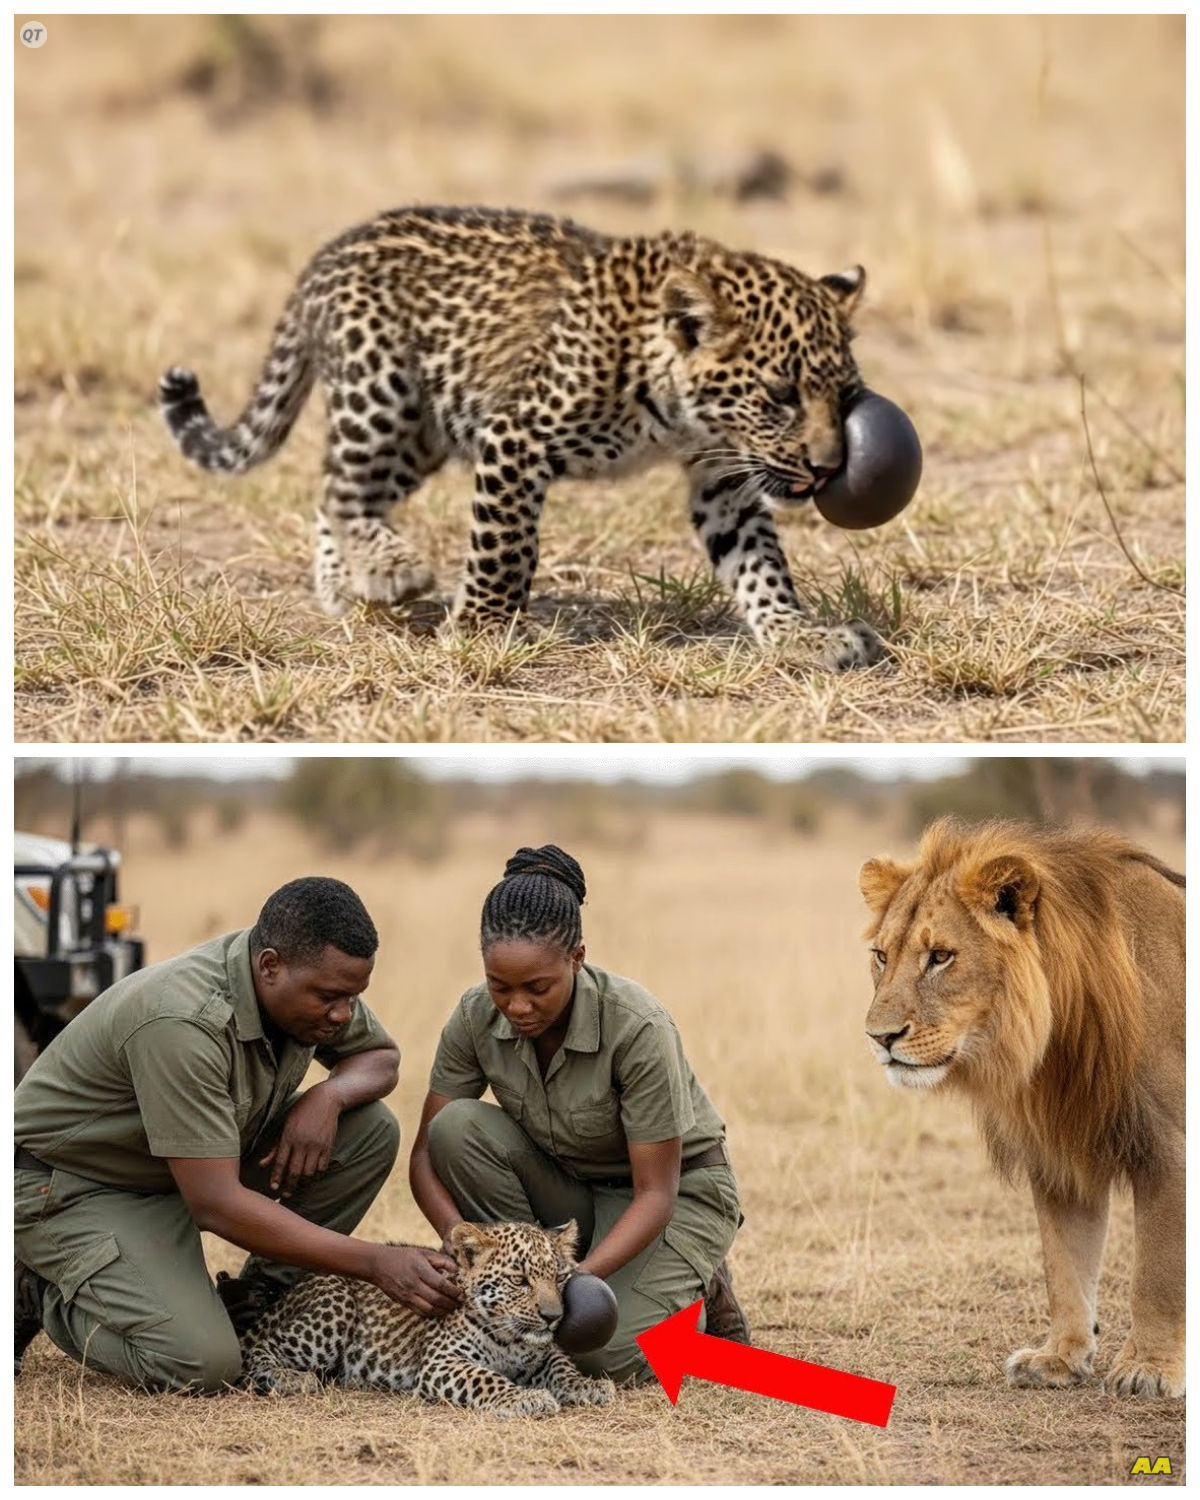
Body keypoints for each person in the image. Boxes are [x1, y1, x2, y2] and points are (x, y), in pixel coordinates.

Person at [14, 876, 461, 1393]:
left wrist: (328, 1096)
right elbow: (215, 1204)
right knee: (197, 1364)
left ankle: (257, 1304)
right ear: (270, 966)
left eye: (353, 998)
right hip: (69, 1185)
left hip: (172, 1168)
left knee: (370, 1129)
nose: (342, 1015)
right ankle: (39, 1291)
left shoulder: (302, 979)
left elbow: (381, 1058)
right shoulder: (183, 1021)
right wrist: (376, 1262)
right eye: (330, 998)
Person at [408, 844, 750, 1385]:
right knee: (455, 1128)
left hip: (672, 1194)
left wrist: (572, 1283)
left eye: (537, 988)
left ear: (577, 958)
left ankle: (697, 1298)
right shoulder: (474, 1014)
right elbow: (427, 1155)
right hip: (573, 1191)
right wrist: (470, 1257)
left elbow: (656, 1193)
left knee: (593, 1353)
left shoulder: (637, 1025)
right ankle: (630, 1289)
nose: (517, 1006)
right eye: (501, 987)